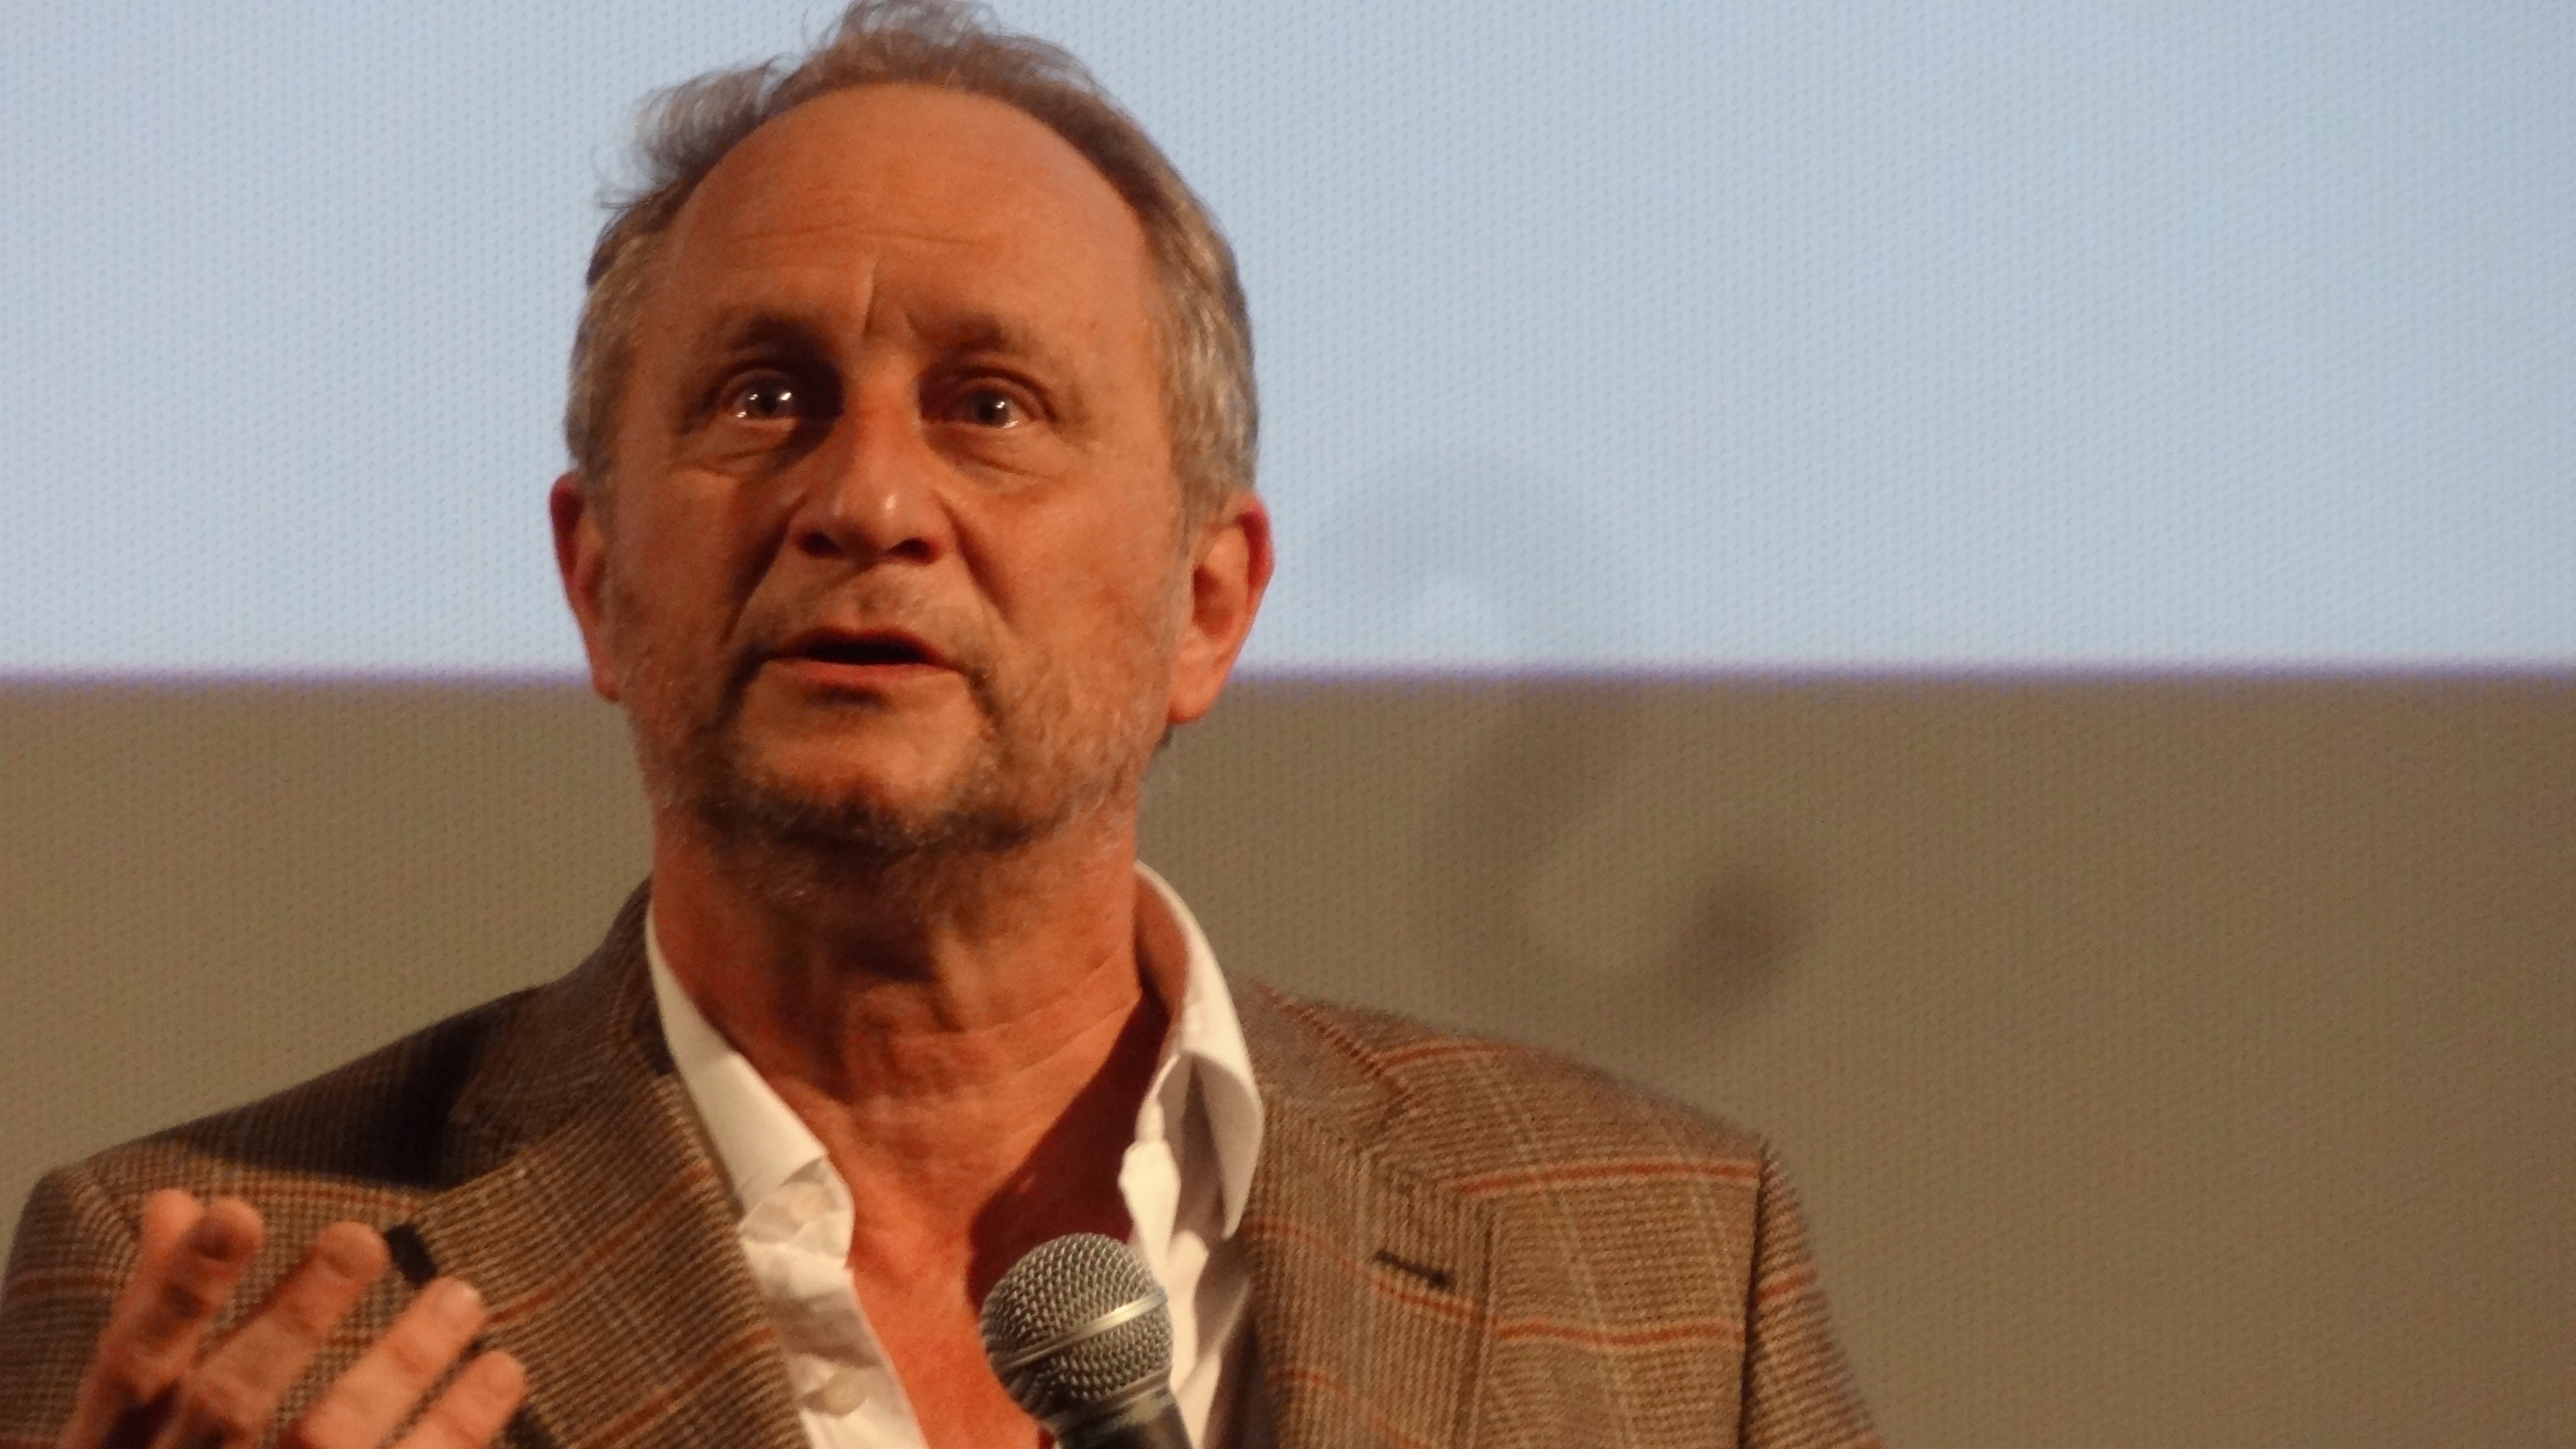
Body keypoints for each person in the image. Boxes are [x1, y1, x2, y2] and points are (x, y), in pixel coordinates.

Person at [0, 4, 1877, 1446]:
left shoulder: (1661, 1263)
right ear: (596, 578)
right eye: (764, 397)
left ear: (1207, 603)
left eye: (991, 405)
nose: (867, 501)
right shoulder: (218, 1290)